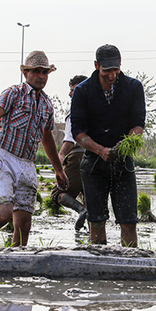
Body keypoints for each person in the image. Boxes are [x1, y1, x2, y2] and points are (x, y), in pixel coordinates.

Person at [0, 50, 67, 248]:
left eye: (44, 72)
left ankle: (16, 258)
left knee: (24, 224)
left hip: (27, 164)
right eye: (36, 71)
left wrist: (58, 169)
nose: (41, 76)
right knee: (4, 215)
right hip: (3, 158)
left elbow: (47, 138)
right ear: (26, 73)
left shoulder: (46, 104)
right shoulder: (13, 94)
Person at [71, 44, 145, 247]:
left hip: (123, 162)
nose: (112, 75)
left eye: (116, 70)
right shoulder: (82, 91)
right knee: (96, 220)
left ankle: (130, 262)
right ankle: (98, 261)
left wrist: (125, 144)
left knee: (129, 220)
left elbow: (138, 124)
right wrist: (101, 150)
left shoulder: (133, 88)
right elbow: (78, 132)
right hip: (93, 164)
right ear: (96, 66)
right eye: (107, 71)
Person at [52, 74, 88, 230]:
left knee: (57, 194)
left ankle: (81, 210)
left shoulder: (75, 112)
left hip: (78, 157)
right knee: (91, 199)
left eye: (73, 90)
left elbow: (70, 140)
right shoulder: (100, 110)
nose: (69, 94)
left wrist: (60, 156)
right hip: (97, 158)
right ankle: (93, 238)